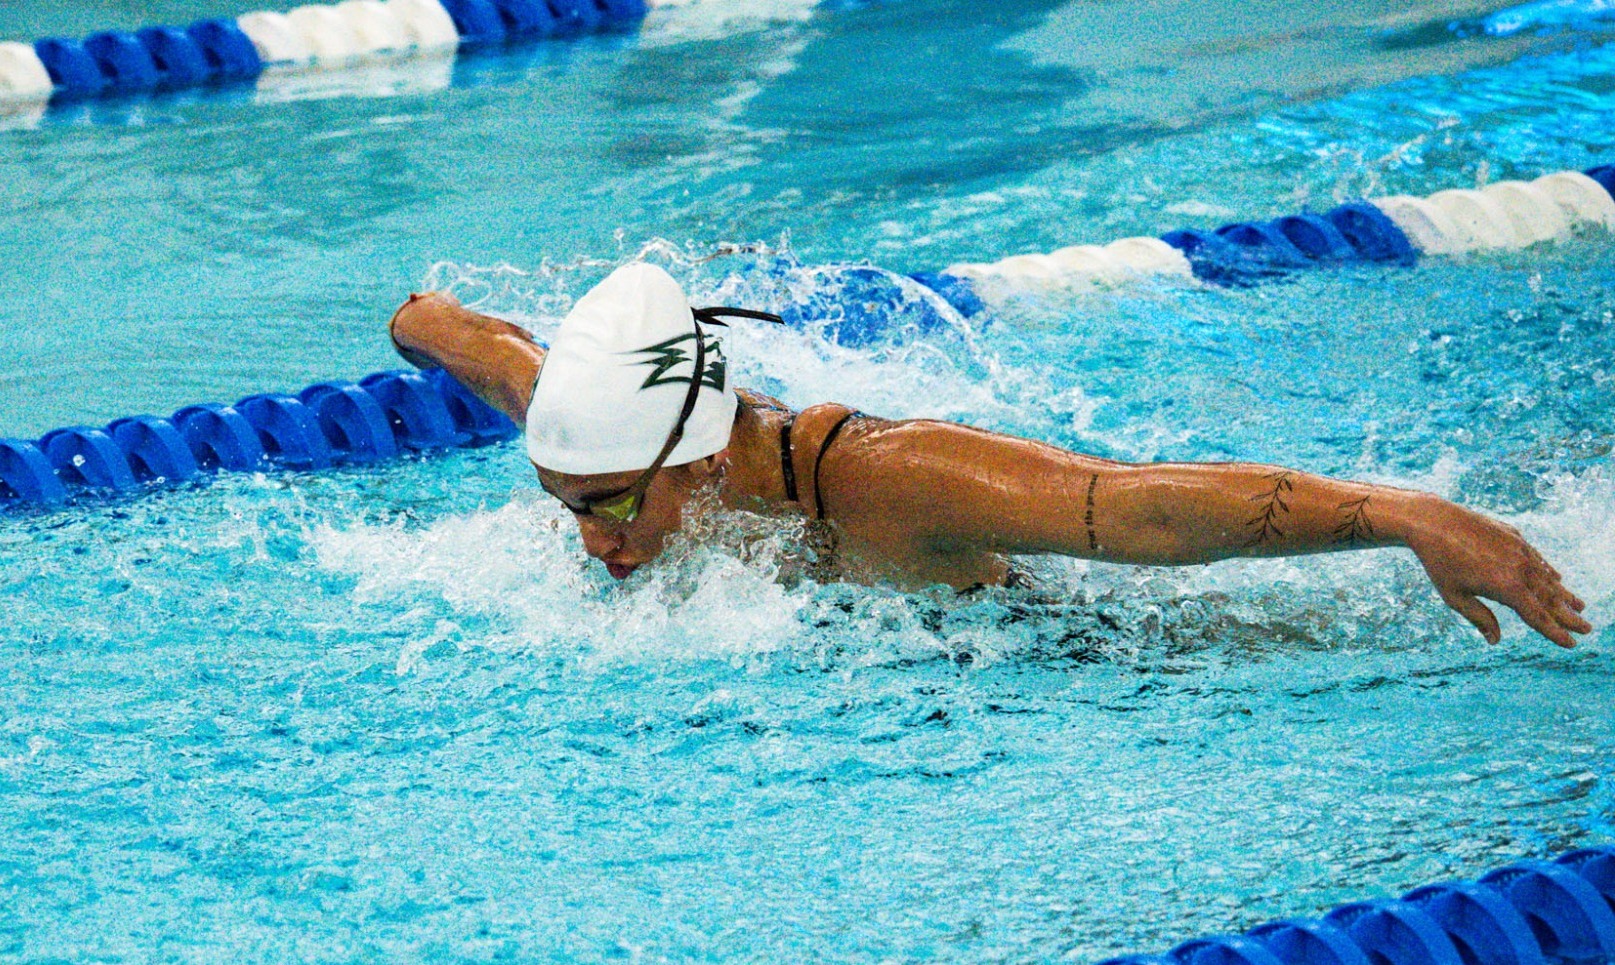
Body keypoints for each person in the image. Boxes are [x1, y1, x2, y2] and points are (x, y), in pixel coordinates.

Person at [388, 262, 1592, 649]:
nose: (588, 541)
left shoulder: (883, 479)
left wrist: (1400, 516)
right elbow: (458, 333)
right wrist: (415, 327)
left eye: (602, 509)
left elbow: (1128, 509)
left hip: (1085, 651)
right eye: (565, 508)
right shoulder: (598, 424)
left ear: (700, 465)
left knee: (1247, 634)